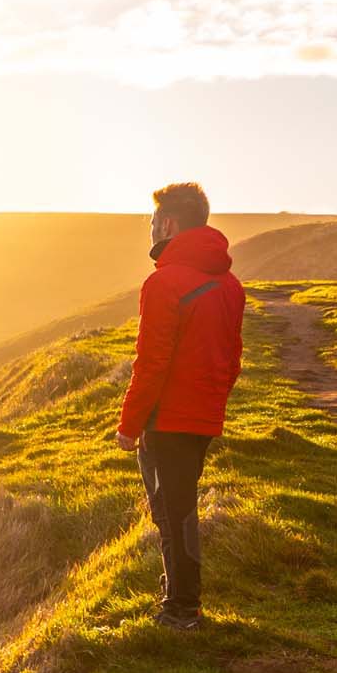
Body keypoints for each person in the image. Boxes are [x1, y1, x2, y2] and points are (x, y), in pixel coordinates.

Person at [115, 180, 244, 627]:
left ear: (168, 224)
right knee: (180, 506)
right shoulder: (229, 284)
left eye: (152, 222)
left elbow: (151, 364)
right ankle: (181, 598)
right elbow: (233, 358)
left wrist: (129, 426)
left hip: (166, 419)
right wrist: (212, 405)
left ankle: (181, 608)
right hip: (203, 417)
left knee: (170, 510)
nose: (150, 231)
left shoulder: (164, 283)